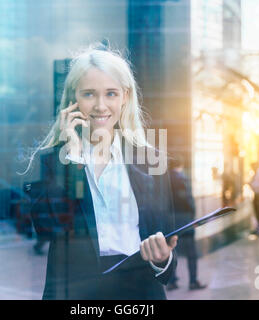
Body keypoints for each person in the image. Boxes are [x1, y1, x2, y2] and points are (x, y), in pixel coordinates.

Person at [22, 43, 178, 300]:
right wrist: (71, 158)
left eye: (111, 94)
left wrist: (162, 259)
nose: (101, 105)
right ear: (74, 98)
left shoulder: (151, 161)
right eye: (89, 94)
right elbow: (47, 228)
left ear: (125, 97)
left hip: (140, 292)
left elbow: (168, 263)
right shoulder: (55, 162)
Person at [166, 155, 207, 291]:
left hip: (170, 220)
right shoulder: (182, 179)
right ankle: (193, 281)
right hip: (184, 220)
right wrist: (193, 217)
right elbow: (188, 200)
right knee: (191, 253)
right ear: (181, 165)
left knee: (171, 251)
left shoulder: (164, 180)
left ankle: (171, 281)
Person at [248, 162, 259, 237]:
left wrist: (251, 184)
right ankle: (258, 228)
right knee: (257, 212)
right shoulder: (255, 174)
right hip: (257, 195)